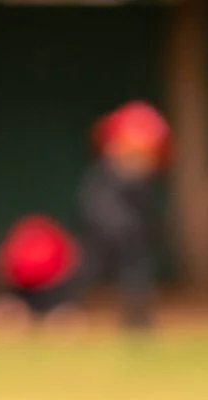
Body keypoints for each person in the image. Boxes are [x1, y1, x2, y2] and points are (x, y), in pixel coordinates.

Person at [78, 100, 169, 331]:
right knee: (90, 267)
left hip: (131, 234)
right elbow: (94, 205)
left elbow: (147, 213)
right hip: (107, 232)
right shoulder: (103, 178)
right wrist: (116, 226)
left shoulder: (143, 181)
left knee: (137, 269)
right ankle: (65, 309)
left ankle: (138, 319)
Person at [0, 212, 81, 328]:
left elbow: (70, 260)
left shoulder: (52, 241)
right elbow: (4, 264)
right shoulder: (21, 242)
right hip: (22, 290)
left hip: (51, 291)